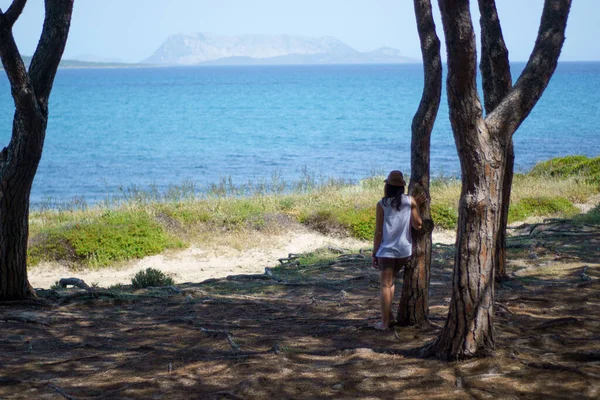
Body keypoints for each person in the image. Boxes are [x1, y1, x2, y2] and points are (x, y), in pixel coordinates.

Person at [370, 170, 426, 331]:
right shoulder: (410, 201)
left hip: (386, 251)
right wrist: (417, 205)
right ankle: (390, 316)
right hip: (404, 251)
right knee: (390, 282)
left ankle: (385, 323)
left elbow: (378, 232)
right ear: (402, 187)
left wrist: (375, 252)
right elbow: (418, 225)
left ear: (387, 186)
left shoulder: (382, 204)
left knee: (385, 285)